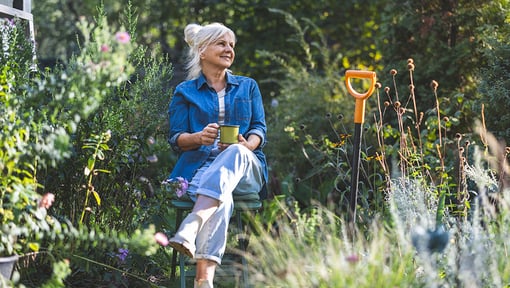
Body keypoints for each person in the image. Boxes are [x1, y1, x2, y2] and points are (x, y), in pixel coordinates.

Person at [166, 22, 268, 288]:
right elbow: (176, 139)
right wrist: (199, 138)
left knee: (234, 151)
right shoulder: (185, 92)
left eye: (231, 45)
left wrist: (248, 146)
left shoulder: (248, 86)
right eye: (221, 43)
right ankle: (204, 281)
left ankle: (193, 223)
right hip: (200, 169)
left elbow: (259, 128)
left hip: (246, 168)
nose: (229, 49)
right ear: (202, 50)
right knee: (220, 198)